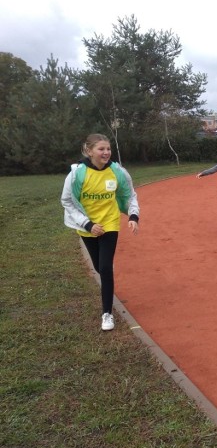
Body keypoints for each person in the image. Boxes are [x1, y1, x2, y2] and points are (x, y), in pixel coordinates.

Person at [60, 133, 140, 331]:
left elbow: (129, 194)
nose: (106, 152)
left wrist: (133, 215)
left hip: (110, 224)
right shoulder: (77, 174)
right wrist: (87, 224)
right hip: (87, 226)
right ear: (89, 151)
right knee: (99, 266)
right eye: (101, 149)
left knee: (105, 268)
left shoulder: (117, 171)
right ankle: (107, 280)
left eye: (108, 149)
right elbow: (67, 201)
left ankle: (107, 314)